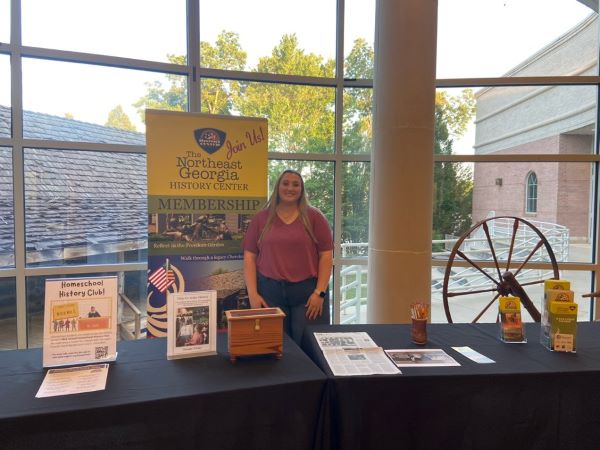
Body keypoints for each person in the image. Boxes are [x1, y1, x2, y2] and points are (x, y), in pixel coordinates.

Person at [243, 169, 333, 345]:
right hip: (270, 293)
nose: (290, 188)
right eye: (285, 183)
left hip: (308, 294)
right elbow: (249, 258)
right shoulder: (261, 218)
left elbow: (326, 256)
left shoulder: (315, 217)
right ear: (278, 187)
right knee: (273, 347)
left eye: (295, 184)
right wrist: (252, 294)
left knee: (310, 347)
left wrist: (319, 293)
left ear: (301, 189)